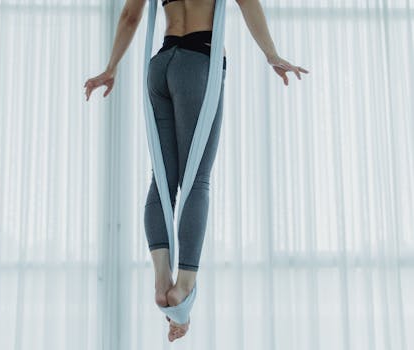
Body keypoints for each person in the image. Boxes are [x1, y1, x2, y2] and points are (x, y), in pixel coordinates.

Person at [84, 0, 309, 342]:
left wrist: (111, 67)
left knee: (162, 179)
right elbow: (247, 2)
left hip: (160, 66)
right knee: (197, 180)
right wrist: (271, 54)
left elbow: (131, 15)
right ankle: (183, 285)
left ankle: (162, 278)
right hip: (198, 62)